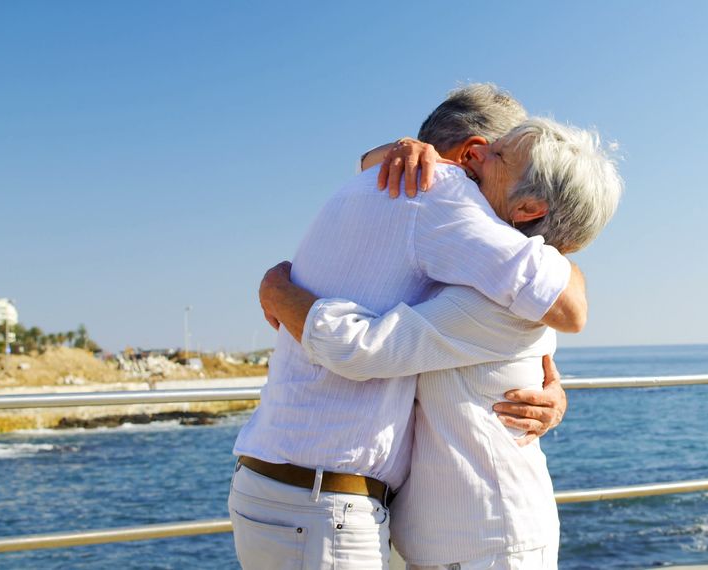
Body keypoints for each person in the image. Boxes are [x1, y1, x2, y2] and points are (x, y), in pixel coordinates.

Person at [230, 86, 592, 569]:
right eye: (498, 149)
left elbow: (549, 300)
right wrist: (282, 295)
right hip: (322, 503)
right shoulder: (443, 195)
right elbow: (566, 305)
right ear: (469, 153)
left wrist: (279, 291)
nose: (486, 160)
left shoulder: (376, 189)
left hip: (296, 492)